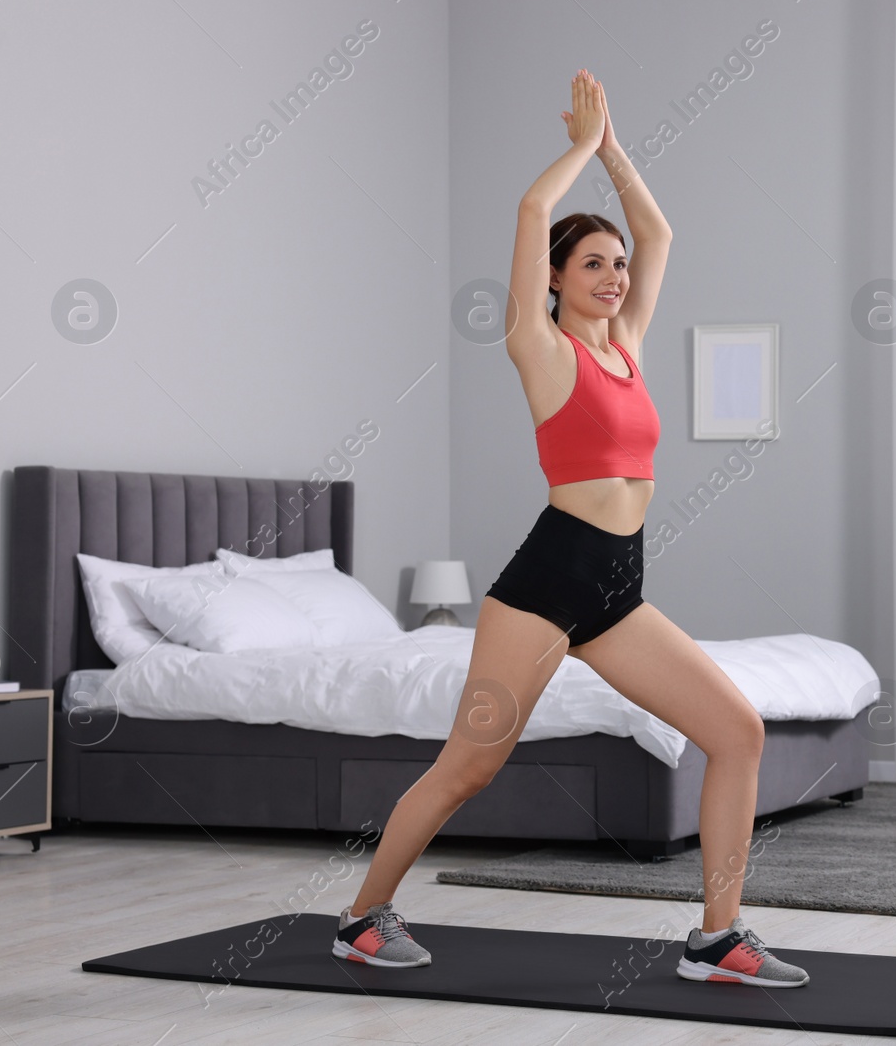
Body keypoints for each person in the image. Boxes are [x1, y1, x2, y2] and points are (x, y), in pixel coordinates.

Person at [331, 69, 808, 988]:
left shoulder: (624, 345)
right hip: (547, 582)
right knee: (468, 769)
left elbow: (661, 232)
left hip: (617, 588)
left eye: (617, 265)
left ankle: (716, 938)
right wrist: (581, 151)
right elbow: (527, 205)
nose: (615, 274)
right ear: (554, 279)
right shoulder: (539, 349)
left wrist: (617, 149)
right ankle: (360, 917)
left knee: (737, 731)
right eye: (593, 263)